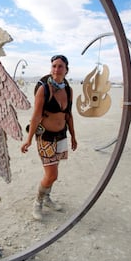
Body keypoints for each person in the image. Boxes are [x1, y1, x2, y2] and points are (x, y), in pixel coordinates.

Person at [21, 55, 77, 220]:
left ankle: (46, 198)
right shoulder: (43, 89)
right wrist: (29, 139)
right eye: (54, 66)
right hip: (45, 137)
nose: (56, 69)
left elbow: (68, 115)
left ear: (66, 69)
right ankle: (38, 202)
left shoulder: (68, 90)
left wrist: (73, 136)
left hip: (61, 136)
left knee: (54, 171)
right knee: (52, 175)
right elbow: (36, 116)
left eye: (60, 66)